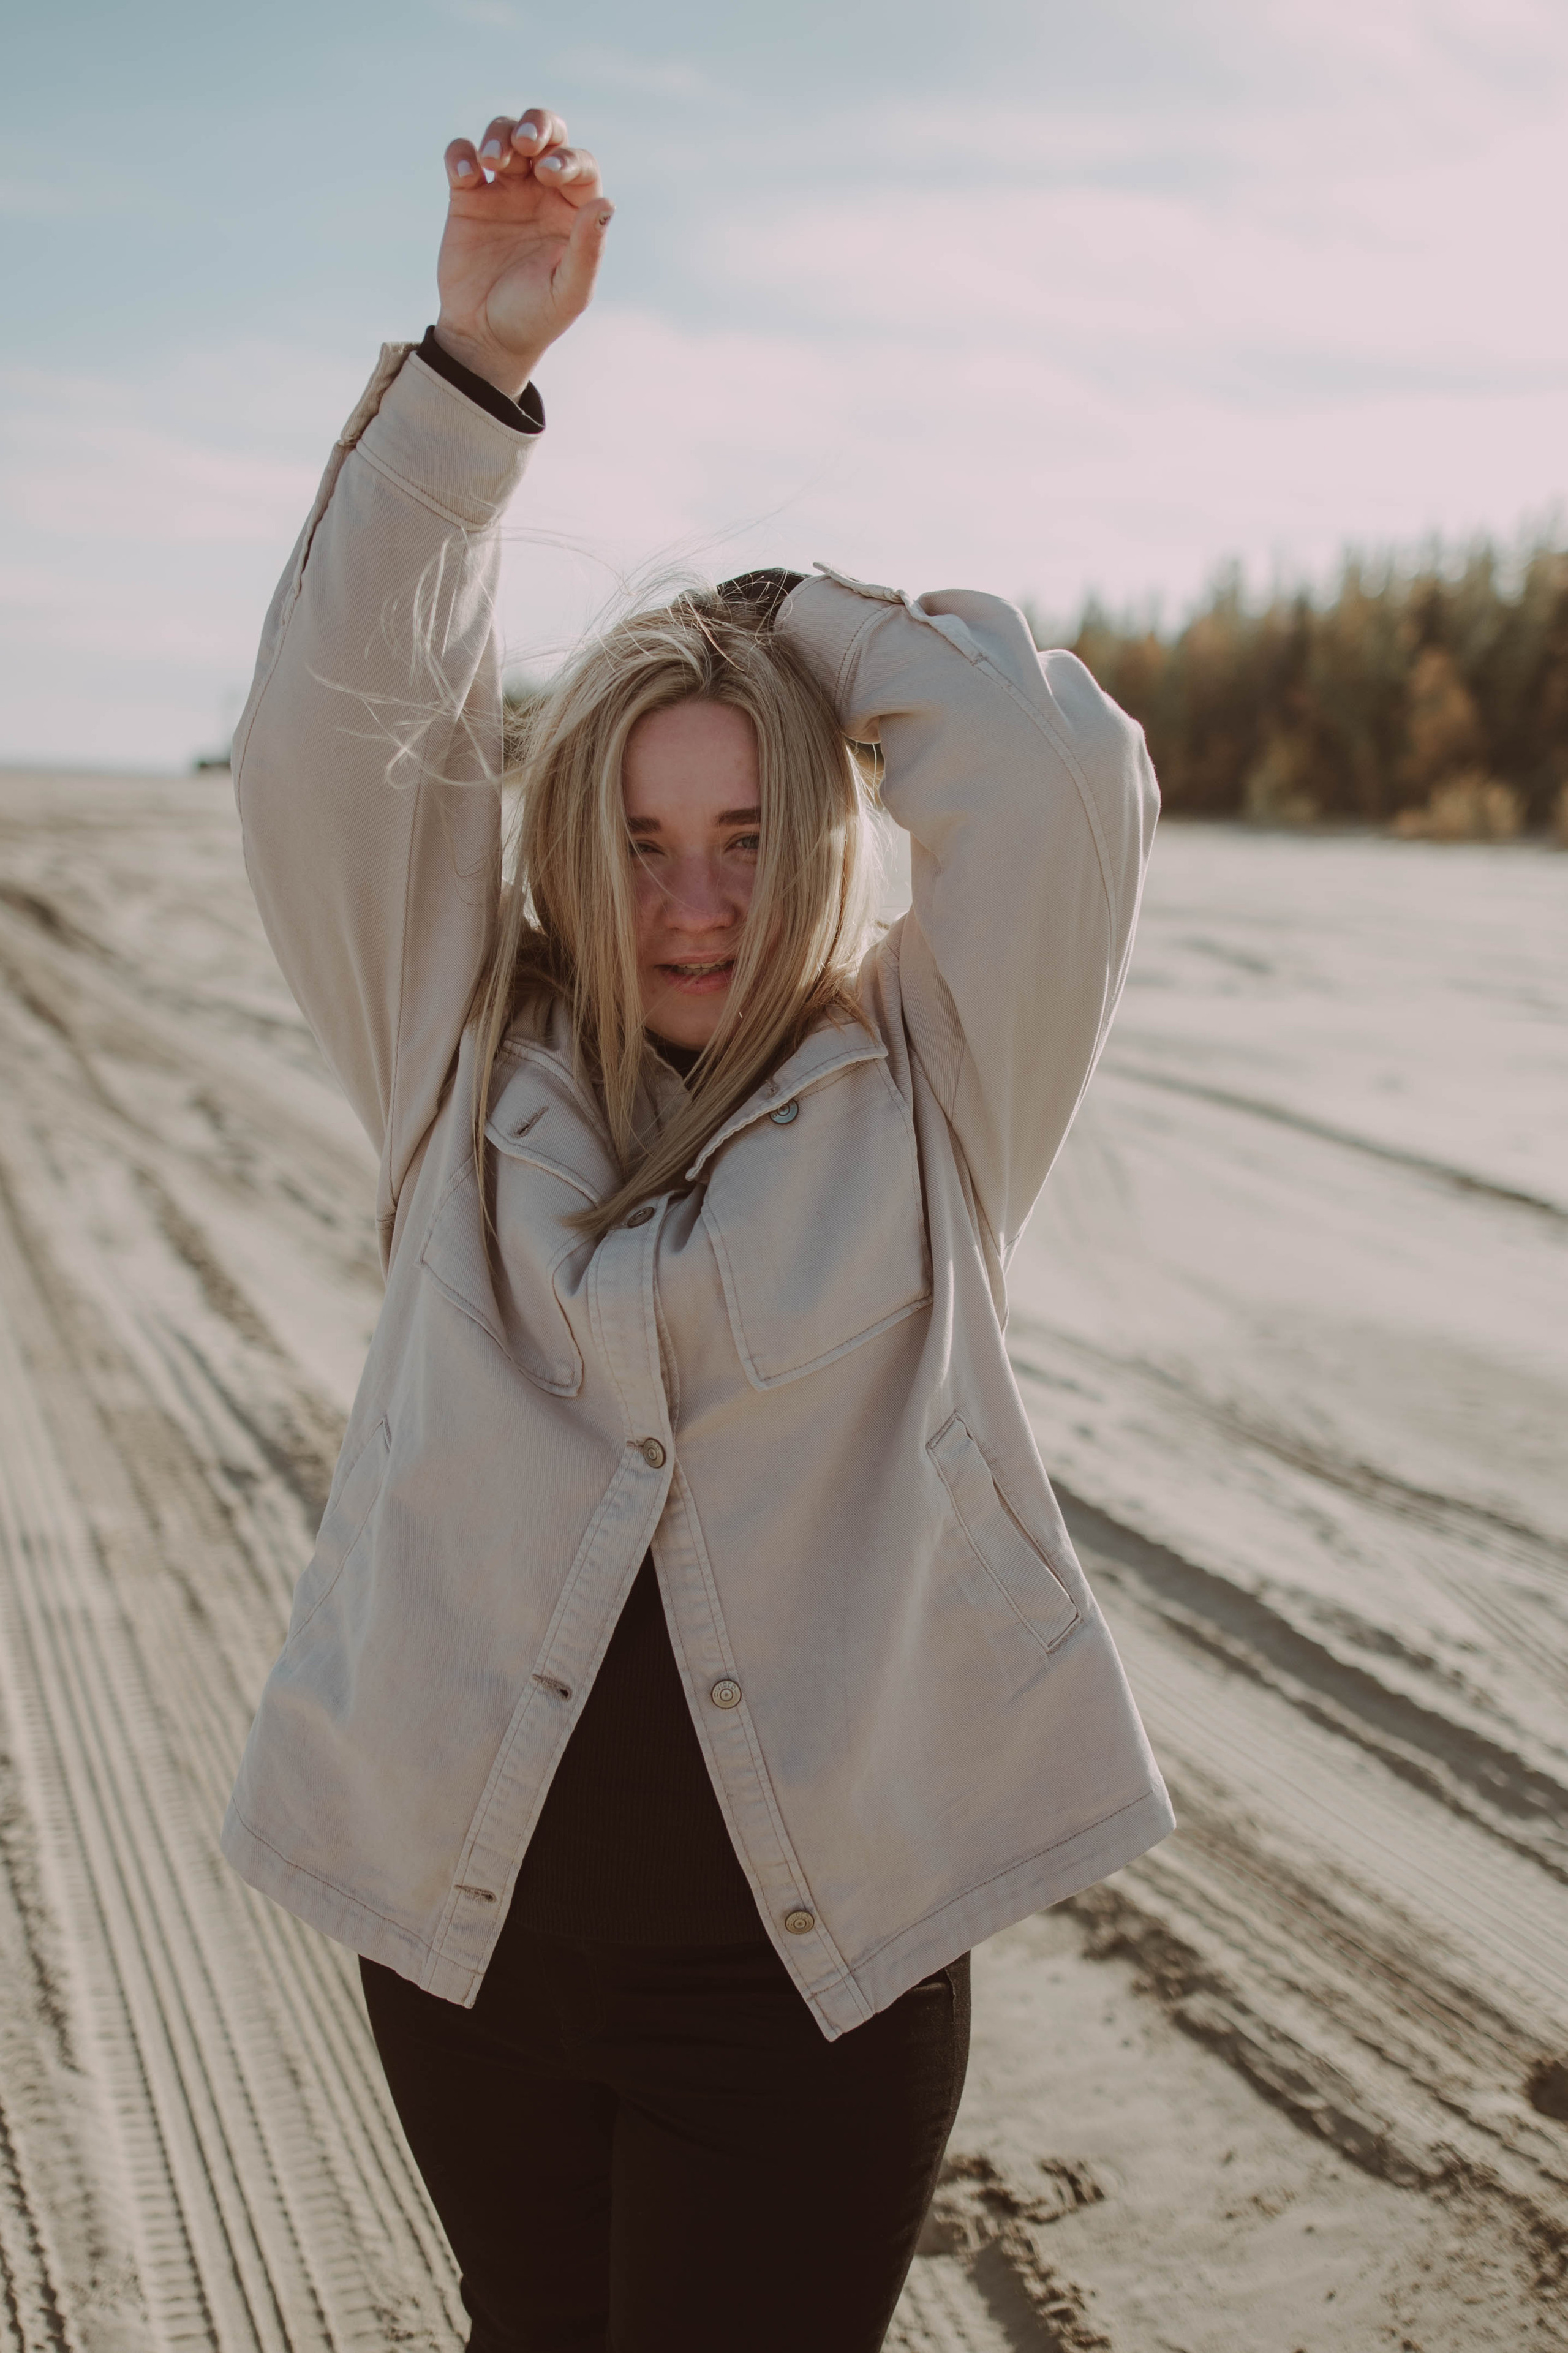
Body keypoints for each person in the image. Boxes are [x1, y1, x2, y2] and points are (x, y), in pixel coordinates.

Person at [221, 100, 1172, 2353]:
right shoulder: (461, 1058)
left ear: (824, 833)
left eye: (749, 830)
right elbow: (324, 741)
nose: (694, 899)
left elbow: (1050, 784)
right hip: (476, 1961)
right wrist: (473, 375)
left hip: (810, 1991)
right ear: (569, 841)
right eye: (642, 839)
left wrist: (786, 626)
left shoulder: (931, 1089)